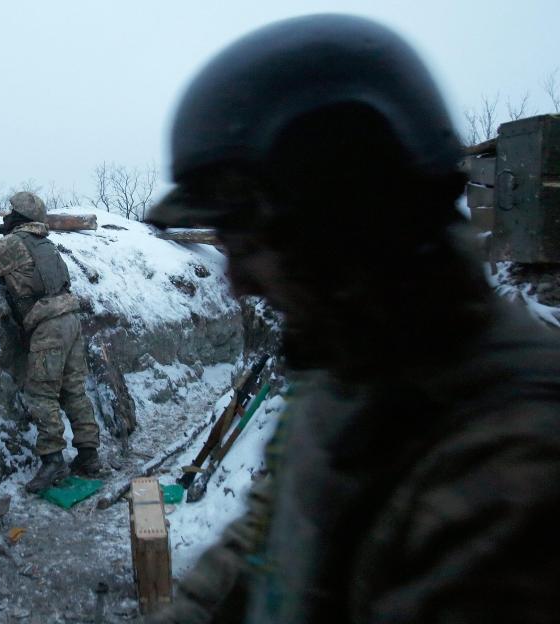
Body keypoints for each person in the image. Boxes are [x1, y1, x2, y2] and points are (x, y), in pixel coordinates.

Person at [146, 14, 560, 624]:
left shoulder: (515, 465)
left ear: (352, 218)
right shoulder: (354, 368)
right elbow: (267, 537)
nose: (236, 283)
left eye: (254, 242)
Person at [0, 191, 102, 493]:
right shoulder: (45, 245)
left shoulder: (15, 243)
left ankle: (53, 461)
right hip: (71, 320)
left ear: (19, 217)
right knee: (73, 390)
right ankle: (89, 455)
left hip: (48, 326)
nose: (5, 216)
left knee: (42, 394)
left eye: (10, 212)